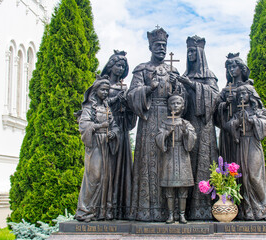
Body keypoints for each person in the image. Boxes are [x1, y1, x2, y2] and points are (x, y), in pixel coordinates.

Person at [127, 27, 184, 221]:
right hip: (149, 118)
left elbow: (182, 100)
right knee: (148, 161)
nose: (161, 48)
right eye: (157, 45)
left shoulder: (173, 70)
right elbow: (131, 95)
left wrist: (177, 86)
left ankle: (173, 212)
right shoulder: (142, 69)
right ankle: (147, 210)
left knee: (170, 162)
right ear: (150, 46)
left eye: (164, 45)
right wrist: (148, 88)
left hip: (170, 120)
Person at [174, 35, 219, 220]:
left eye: (193, 51)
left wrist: (191, 85)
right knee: (188, 162)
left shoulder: (209, 75)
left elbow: (214, 97)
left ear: (200, 53)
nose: (190, 54)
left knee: (204, 161)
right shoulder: (185, 75)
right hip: (189, 121)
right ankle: (185, 209)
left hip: (204, 125)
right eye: (189, 51)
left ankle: (205, 207)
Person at [223, 84, 266, 221]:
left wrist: (251, 120)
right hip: (241, 144)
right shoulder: (238, 112)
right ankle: (247, 210)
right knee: (243, 177)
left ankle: (262, 210)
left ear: (251, 95)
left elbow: (265, 125)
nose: (241, 96)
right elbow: (227, 126)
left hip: (253, 144)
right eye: (240, 95)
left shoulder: (259, 112)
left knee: (255, 176)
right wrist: (237, 122)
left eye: (244, 93)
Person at [75, 78, 120, 222]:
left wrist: (113, 132)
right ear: (95, 91)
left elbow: (114, 126)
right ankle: (85, 210)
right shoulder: (89, 108)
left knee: (106, 177)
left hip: (105, 144)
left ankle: (101, 211)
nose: (105, 92)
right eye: (103, 89)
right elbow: (84, 126)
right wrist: (100, 126)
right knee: (94, 176)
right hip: (95, 145)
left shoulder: (107, 108)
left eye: (107, 90)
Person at [100, 50, 136, 219]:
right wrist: (116, 99)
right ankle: (105, 207)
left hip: (121, 129)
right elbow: (97, 103)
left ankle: (121, 208)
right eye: (118, 65)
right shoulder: (101, 83)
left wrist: (128, 104)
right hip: (106, 129)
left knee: (122, 168)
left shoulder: (124, 87)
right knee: (108, 168)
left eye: (123, 66)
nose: (121, 69)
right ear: (110, 65)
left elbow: (130, 112)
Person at [155, 94, 197, 224]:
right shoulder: (165, 123)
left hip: (183, 156)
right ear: (168, 106)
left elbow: (193, 138)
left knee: (183, 189)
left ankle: (182, 215)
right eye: (172, 103)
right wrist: (166, 133)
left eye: (178, 103)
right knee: (169, 188)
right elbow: (158, 138)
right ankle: (171, 215)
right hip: (169, 157)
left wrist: (186, 133)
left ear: (183, 106)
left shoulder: (186, 123)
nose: (175, 106)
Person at [215, 53, 253, 164]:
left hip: (243, 131)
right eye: (229, 68)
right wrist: (226, 104)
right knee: (229, 160)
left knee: (244, 161)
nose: (231, 70)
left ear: (241, 68)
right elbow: (216, 110)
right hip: (227, 132)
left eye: (234, 66)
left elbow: (256, 108)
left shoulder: (249, 87)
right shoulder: (226, 90)